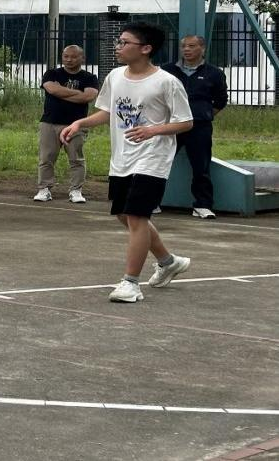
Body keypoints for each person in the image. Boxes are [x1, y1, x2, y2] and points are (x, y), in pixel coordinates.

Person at [60, 22, 194, 304]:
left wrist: (153, 130)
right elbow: (106, 112)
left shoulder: (167, 82)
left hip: (153, 158)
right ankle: (168, 262)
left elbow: (186, 122)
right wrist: (80, 123)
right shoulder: (116, 76)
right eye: (118, 42)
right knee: (125, 214)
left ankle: (130, 283)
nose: (118, 47)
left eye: (124, 43)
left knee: (136, 216)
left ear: (145, 49)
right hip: (122, 158)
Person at [161, 35, 229, 219]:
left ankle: (203, 205)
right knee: (158, 163)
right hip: (171, 125)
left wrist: (204, 114)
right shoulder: (167, 71)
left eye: (191, 46)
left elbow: (221, 100)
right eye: (183, 46)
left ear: (203, 48)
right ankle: (151, 201)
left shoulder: (214, 73)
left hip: (199, 127)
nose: (186, 49)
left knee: (201, 166)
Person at [35, 45, 100, 204]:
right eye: (66, 56)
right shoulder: (52, 73)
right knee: (46, 157)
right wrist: (78, 94)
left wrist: (61, 91)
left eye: (73, 57)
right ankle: (44, 189)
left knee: (76, 158)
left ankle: (76, 190)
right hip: (50, 122)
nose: (69, 60)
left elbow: (88, 97)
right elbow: (52, 89)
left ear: (82, 58)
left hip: (76, 124)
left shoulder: (89, 78)